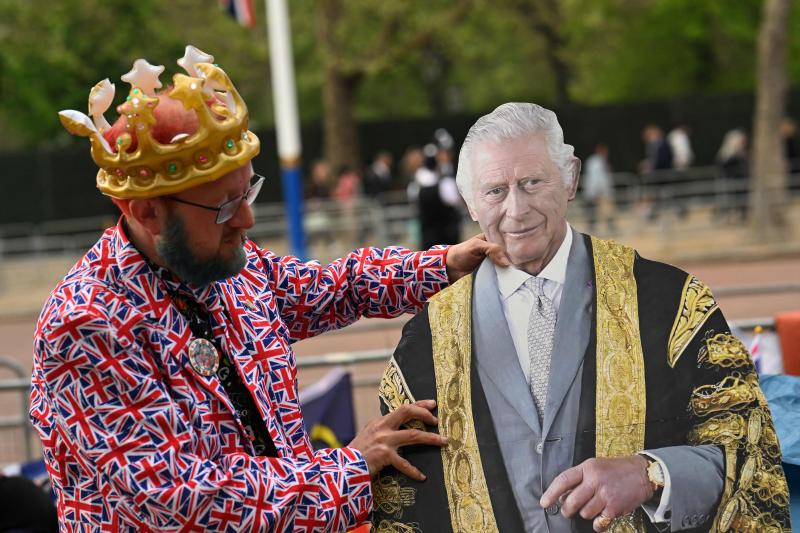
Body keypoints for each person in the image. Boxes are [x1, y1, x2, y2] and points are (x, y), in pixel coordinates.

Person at [29, 46, 505, 532]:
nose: (247, 219)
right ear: (146, 212)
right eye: (223, 207)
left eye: (248, 192)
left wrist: (445, 263)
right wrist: (352, 467)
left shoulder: (227, 262)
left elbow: (333, 288)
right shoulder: (86, 321)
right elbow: (183, 501)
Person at [371, 103, 790, 532]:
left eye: (532, 182)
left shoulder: (673, 306)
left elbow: (749, 454)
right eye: (495, 190)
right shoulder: (426, 342)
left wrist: (653, 472)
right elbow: (402, 507)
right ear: (470, 203)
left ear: (570, 178)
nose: (516, 210)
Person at [407, 143, 462, 249]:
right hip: (447, 236)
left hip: (428, 237)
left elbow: (414, 205)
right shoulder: (445, 183)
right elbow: (455, 201)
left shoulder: (415, 184)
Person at [715, 129, 749, 222]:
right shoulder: (729, 155)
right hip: (731, 181)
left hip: (739, 181)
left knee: (741, 200)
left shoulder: (740, 153)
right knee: (728, 200)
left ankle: (741, 216)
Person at [581, 143, 616, 233]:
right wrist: (600, 190)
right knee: (601, 210)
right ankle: (608, 227)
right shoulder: (597, 162)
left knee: (601, 210)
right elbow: (597, 177)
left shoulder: (594, 161)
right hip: (598, 191)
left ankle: (608, 227)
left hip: (595, 190)